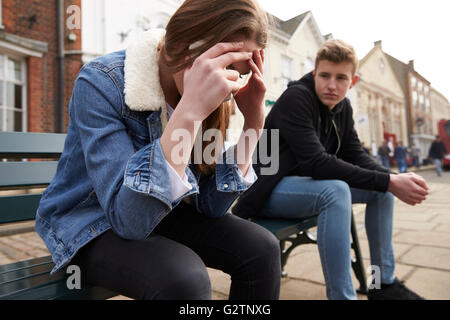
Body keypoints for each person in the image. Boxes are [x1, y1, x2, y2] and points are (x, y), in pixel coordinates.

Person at [35, 0, 281, 300]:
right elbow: (129, 221)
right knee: (183, 277)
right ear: (190, 51)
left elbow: (212, 206)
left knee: (262, 250)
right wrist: (189, 112)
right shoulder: (101, 81)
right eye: (226, 68)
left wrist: (253, 124)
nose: (229, 85)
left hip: (163, 212)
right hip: (91, 220)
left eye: (238, 74)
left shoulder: (214, 94)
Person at [233, 39, 429, 300]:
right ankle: (342, 297)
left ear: (353, 82)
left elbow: (355, 153)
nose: (332, 85)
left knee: (380, 192)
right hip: (266, 190)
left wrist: (392, 179)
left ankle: (384, 285)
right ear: (315, 74)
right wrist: (388, 181)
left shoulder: (342, 108)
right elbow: (318, 162)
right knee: (336, 191)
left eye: (341, 78)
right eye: (324, 75)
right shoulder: (297, 98)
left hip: (305, 188)